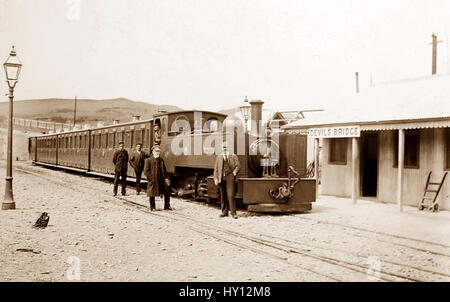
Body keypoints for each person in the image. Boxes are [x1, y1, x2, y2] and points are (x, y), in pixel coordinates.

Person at [213, 141, 241, 219]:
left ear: (228, 148)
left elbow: (238, 166)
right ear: (221, 148)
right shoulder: (219, 157)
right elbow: (216, 169)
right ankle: (224, 212)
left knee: (231, 195)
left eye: (226, 147)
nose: (224, 148)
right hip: (221, 177)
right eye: (223, 147)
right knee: (223, 196)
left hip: (230, 177)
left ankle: (233, 213)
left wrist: (234, 173)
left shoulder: (233, 156)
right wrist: (215, 178)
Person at [143, 145, 172, 211]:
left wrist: (166, 178)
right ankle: (152, 207)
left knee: (167, 192)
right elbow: (146, 171)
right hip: (153, 180)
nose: (157, 152)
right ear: (152, 152)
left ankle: (167, 206)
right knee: (152, 194)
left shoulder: (161, 160)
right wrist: (151, 179)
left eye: (158, 151)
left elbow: (164, 170)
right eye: (156, 151)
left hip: (161, 179)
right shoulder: (148, 160)